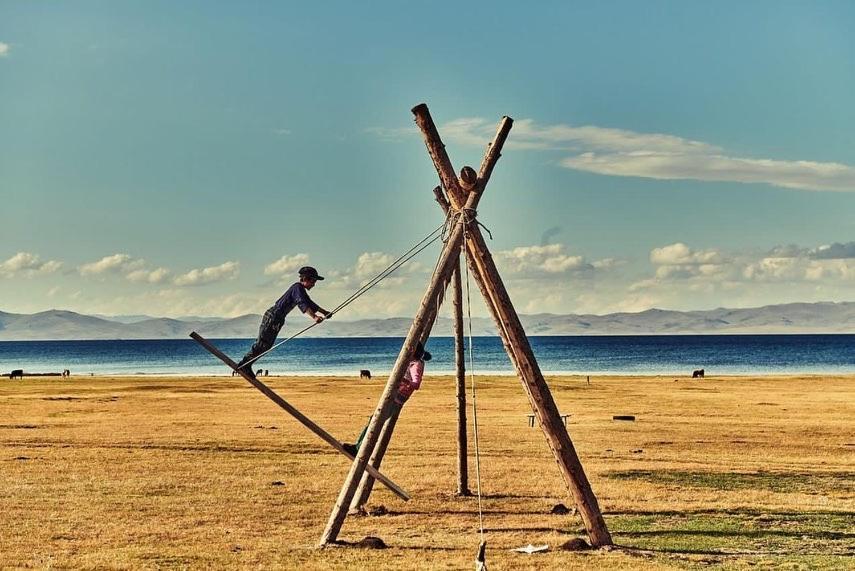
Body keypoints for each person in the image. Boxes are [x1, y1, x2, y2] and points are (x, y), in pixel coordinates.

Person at [236, 266, 332, 378]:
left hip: (278, 319)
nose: (314, 284)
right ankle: (244, 364)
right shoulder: (297, 288)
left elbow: (309, 303)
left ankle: (247, 365)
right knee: (262, 344)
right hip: (273, 316)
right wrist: (315, 317)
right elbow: (302, 303)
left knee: (266, 346)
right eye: (313, 281)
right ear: (306, 278)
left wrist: (324, 312)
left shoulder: (300, 290)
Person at [343, 342, 431, 455]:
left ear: (414, 351)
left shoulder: (416, 364)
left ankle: (359, 449)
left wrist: (401, 380)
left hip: (396, 400)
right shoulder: (411, 362)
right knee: (373, 420)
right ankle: (358, 447)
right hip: (393, 397)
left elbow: (416, 383)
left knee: (375, 422)